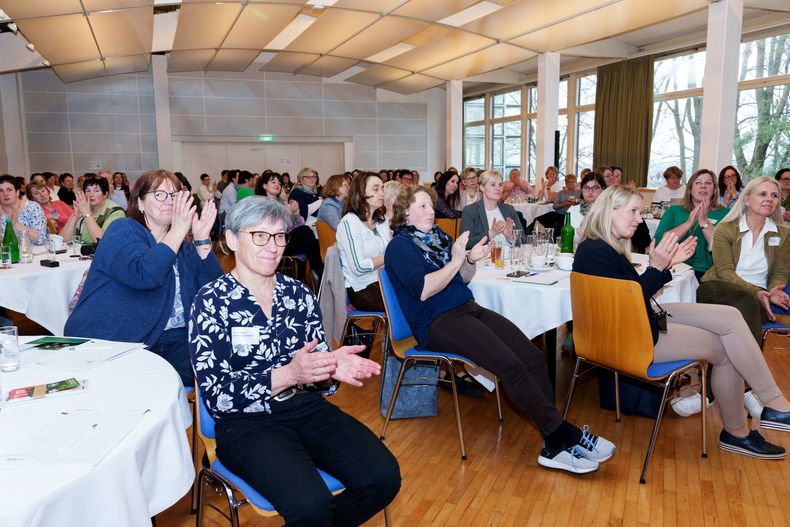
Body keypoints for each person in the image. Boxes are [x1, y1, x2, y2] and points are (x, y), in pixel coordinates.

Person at [188, 197, 400, 525]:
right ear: (231, 240)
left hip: (307, 409)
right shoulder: (211, 302)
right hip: (247, 424)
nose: (272, 246)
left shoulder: (297, 294)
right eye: (259, 235)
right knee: (310, 505)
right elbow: (218, 396)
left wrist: (329, 368)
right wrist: (288, 374)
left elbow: (316, 371)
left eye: (279, 236)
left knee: (383, 478)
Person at [385, 185, 616, 473]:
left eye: (431, 206)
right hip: (436, 321)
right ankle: (563, 436)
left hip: (467, 308)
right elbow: (423, 290)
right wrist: (457, 260)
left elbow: (464, 279)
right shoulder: (399, 247)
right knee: (509, 365)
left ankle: (555, 439)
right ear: (405, 212)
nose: (431, 211)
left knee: (531, 356)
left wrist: (469, 260)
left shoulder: (439, 237)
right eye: (422, 206)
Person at [574, 184, 790, 460]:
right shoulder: (597, 251)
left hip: (636, 321)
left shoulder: (601, 246)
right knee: (724, 348)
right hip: (631, 337)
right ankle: (738, 432)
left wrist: (667, 265)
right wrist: (657, 266)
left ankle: (771, 401)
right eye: (634, 211)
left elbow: (630, 295)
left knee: (730, 317)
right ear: (609, 211)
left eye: (640, 212)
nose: (640, 219)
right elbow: (630, 301)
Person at [65, 169, 221, 386]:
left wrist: (203, 240)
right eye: (159, 194)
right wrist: (178, 229)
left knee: (221, 369)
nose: (169, 200)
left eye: (174, 195)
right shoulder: (123, 231)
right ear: (139, 203)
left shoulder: (184, 248)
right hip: (121, 339)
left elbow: (214, 293)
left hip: (175, 339)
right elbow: (146, 274)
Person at [697, 176, 790, 344]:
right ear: (746, 200)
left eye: (774, 195)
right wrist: (756, 292)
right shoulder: (725, 229)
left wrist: (775, 290)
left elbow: (780, 271)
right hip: (718, 287)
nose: (770, 199)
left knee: (743, 311)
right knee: (746, 302)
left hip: (759, 296)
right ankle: (753, 367)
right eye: (762, 194)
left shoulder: (784, 234)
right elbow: (724, 272)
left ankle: (729, 366)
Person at [654, 169, 729, 280]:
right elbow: (659, 242)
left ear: (714, 189)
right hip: (674, 269)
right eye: (698, 182)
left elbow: (723, 250)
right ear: (690, 188)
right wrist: (687, 224)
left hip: (707, 274)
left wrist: (704, 221)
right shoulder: (674, 211)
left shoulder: (725, 213)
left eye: (708, 183)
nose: (703, 186)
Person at [336, 172, 391, 311]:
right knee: (411, 302)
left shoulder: (381, 221)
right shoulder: (350, 222)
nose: (381, 193)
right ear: (361, 193)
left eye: (382, 188)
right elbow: (358, 267)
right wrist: (389, 257)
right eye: (376, 189)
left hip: (385, 281)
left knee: (421, 292)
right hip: (362, 288)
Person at [257, 172, 324, 280]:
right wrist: (287, 213)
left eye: (279, 183)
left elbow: (297, 225)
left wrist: (296, 214)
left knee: (311, 239)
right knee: (305, 232)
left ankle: (309, 276)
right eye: (273, 182)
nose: (277, 185)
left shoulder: (282, 204)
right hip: (272, 242)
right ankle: (319, 272)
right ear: (264, 186)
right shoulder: (261, 204)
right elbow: (270, 227)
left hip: (285, 239)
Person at [460, 169, 524, 250]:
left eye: (500, 185)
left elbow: (524, 240)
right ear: (482, 188)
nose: (498, 188)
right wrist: (491, 233)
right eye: (493, 185)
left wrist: (510, 237)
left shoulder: (509, 209)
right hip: (483, 260)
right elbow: (466, 244)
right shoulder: (470, 211)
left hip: (509, 259)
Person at [60, 176, 126, 244]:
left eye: (96, 190)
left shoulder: (116, 212)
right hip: (79, 252)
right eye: (88, 191)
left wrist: (87, 214)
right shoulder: (84, 208)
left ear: (105, 194)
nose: (91, 194)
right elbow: (62, 240)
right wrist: (75, 216)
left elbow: (103, 242)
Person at [0, 174, 48, 245]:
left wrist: (16, 224)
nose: (5, 194)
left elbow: (41, 238)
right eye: (1, 191)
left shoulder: (32, 207)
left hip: (35, 253)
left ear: (17, 192)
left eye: (9, 190)